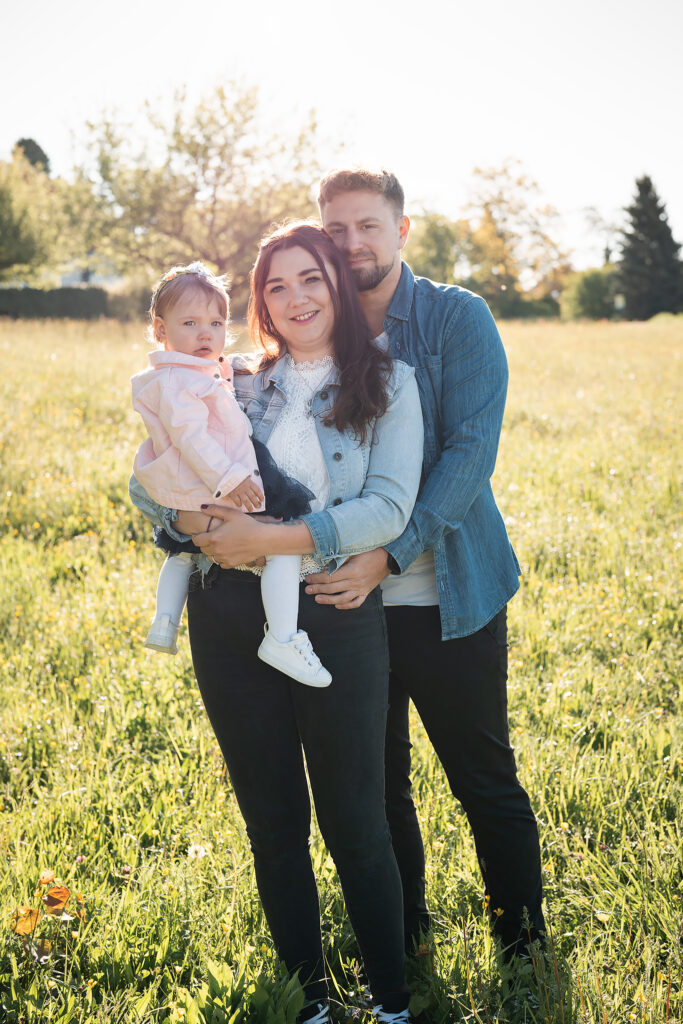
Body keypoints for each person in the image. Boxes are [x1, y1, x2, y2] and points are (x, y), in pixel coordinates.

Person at [201, 171, 546, 963]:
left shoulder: (453, 318)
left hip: (443, 590)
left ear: (400, 229)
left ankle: (522, 945)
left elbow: (468, 456)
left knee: (480, 774)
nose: (352, 242)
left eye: (367, 226)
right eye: (337, 229)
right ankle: (406, 937)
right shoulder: (314, 329)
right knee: (377, 789)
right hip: (342, 606)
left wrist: (384, 556)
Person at [129, 222, 424, 1024]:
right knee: (272, 822)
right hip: (223, 610)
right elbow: (148, 477)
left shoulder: (388, 383)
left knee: (356, 818)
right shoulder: (233, 379)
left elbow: (388, 507)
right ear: (258, 301)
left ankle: (391, 998)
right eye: (276, 286)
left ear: (338, 286)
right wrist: (187, 525)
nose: (293, 299)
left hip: (328, 612)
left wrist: (277, 538)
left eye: (311, 280)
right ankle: (311, 999)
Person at [131, 261, 331, 687]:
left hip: (198, 484)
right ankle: (282, 636)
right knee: (281, 544)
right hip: (215, 482)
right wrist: (229, 479)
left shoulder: (197, 371)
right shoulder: (176, 380)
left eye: (216, 322)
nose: (206, 334)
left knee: (182, 552)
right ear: (160, 329)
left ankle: (165, 621)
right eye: (190, 323)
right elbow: (191, 436)